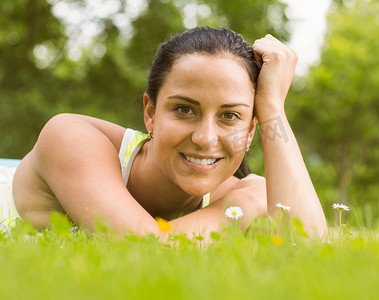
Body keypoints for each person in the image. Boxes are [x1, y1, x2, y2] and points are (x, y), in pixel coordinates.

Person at [1, 27, 328, 239]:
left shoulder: (236, 189)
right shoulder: (69, 138)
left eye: (230, 116)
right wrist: (241, 205)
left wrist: (272, 107)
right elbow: (144, 250)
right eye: (185, 109)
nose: (205, 137)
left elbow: (311, 252)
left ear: (252, 129)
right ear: (150, 113)